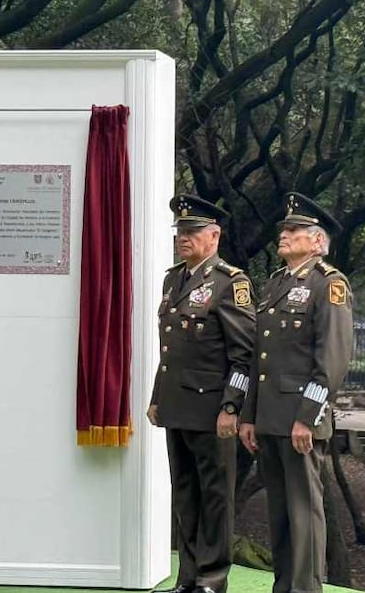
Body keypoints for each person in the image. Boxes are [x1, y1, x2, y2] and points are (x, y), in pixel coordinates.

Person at [238, 192, 354, 593]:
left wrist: (308, 416)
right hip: (270, 417)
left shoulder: (329, 285)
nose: (283, 236)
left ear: (317, 241)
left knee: (305, 511)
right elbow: (259, 359)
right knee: (281, 513)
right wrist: (248, 415)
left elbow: (332, 359)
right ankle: (283, 585)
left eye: (294, 230)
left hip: (300, 419)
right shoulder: (275, 284)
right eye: (284, 230)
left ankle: (305, 589)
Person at [148, 194, 255, 593]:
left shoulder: (231, 282)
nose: (184, 239)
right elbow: (170, 349)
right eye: (181, 232)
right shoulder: (174, 278)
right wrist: (158, 396)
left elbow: (243, 355)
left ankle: (212, 578)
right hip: (177, 404)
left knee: (215, 496)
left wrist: (231, 406)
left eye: (192, 232)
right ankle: (188, 575)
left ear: (214, 236)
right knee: (185, 492)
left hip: (212, 407)